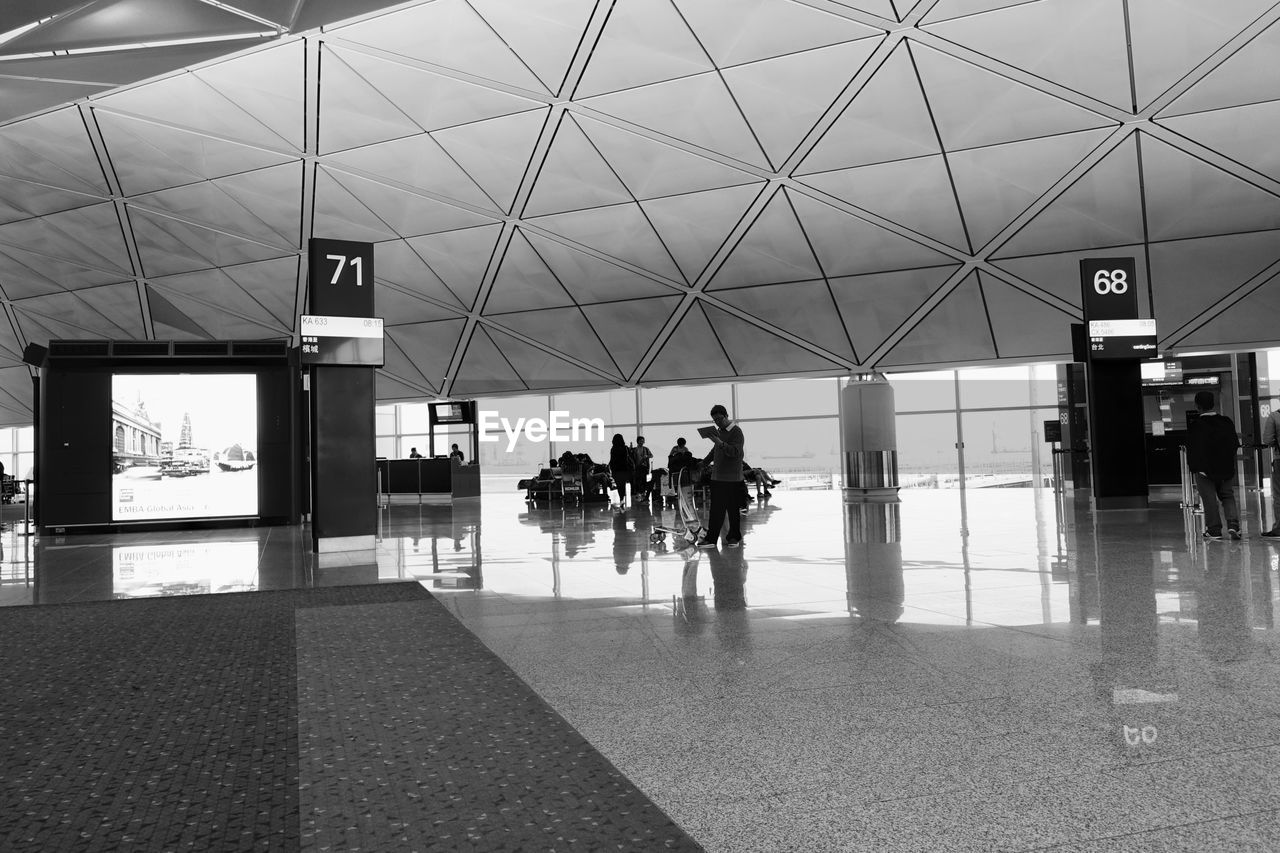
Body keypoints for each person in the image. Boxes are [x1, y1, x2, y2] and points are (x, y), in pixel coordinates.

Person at [1186, 390, 1241, 540]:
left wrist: (1196, 468)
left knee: (1209, 499)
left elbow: (1193, 449)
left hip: (1205, 470)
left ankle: (1214, 530)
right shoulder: (1226, 422)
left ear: (1198, 406)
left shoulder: (1196, 425)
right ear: (1213, 404)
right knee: (1227, 495)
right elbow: (1234, 444)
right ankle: (1233, 525)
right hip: (1225, 468)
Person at [697, 404, 745, 548]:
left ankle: (734, 537)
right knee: (716, 510)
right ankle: (711, 539)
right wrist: (704, 463)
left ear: (726, 416)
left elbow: (735, 452)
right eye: (714, 420)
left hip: (733, 478)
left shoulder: (736, 431)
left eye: (719, 418)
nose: (717, 422)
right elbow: (715, 450)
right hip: (717, 477)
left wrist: (719, 442)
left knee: (732, 510)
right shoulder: (720, 431)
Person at [1261, 401, 1280, 537]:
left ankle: (1279, 528)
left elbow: (1267, 440)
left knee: (1279, 495)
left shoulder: (1275, 416)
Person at [608, 433, 633, 506]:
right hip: (624, 469)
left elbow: (612, 460)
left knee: (619, 486)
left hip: (616, 470)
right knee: (623, 485)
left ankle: (621, 498)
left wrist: (611, 469)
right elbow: (627, 459)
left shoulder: (613, 449)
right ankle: (623, 499)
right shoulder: (625, 448)